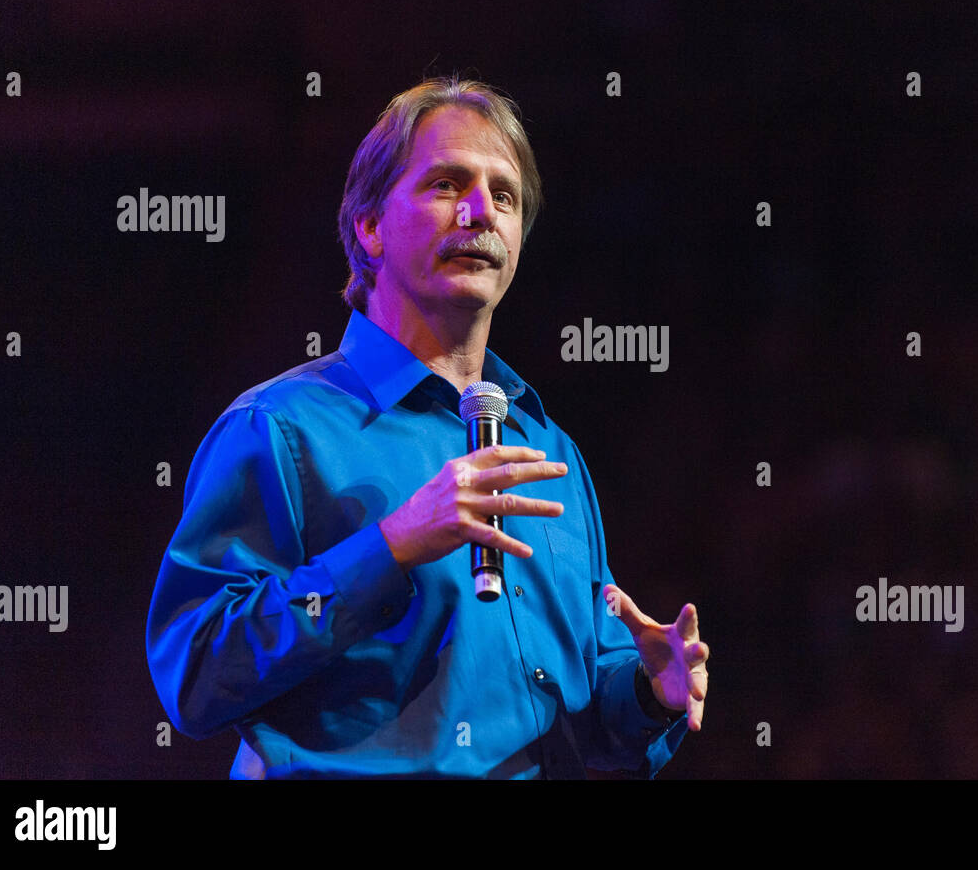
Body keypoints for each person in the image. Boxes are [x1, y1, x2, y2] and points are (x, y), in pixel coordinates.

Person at [145, 75, 708, 778]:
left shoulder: (547, 449)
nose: (481, 211)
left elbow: (586, 720)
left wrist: (650, 693)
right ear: (370, 225)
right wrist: (390, 546)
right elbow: (196, 671)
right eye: (448, 184)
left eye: (504, 196)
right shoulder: (282, 429)